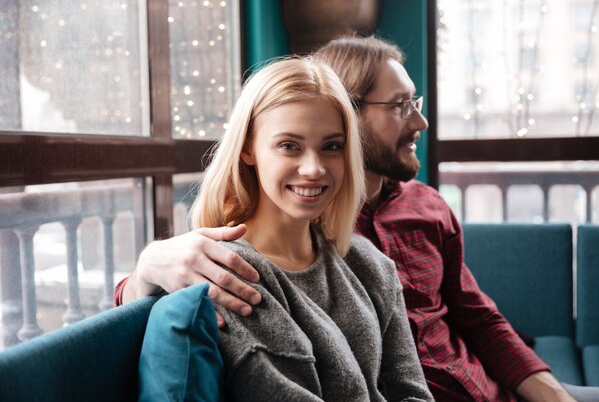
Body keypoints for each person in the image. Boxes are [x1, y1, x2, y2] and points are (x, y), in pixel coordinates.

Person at [116, 36, 599, 402]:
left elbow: (475, 315)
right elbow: (173, 291)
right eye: (402, 106)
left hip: (482, 387)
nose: (420, 122)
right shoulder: (249, 256)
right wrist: (143, 271)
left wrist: (551, 391)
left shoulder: (411, 217)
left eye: (330, 147)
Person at [162, 56, 434, 401]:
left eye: (331, 147)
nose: (314, 168)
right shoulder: (228, 275)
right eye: (289, 146)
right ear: (248, 148)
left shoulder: (370, 263)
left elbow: (412, 392)